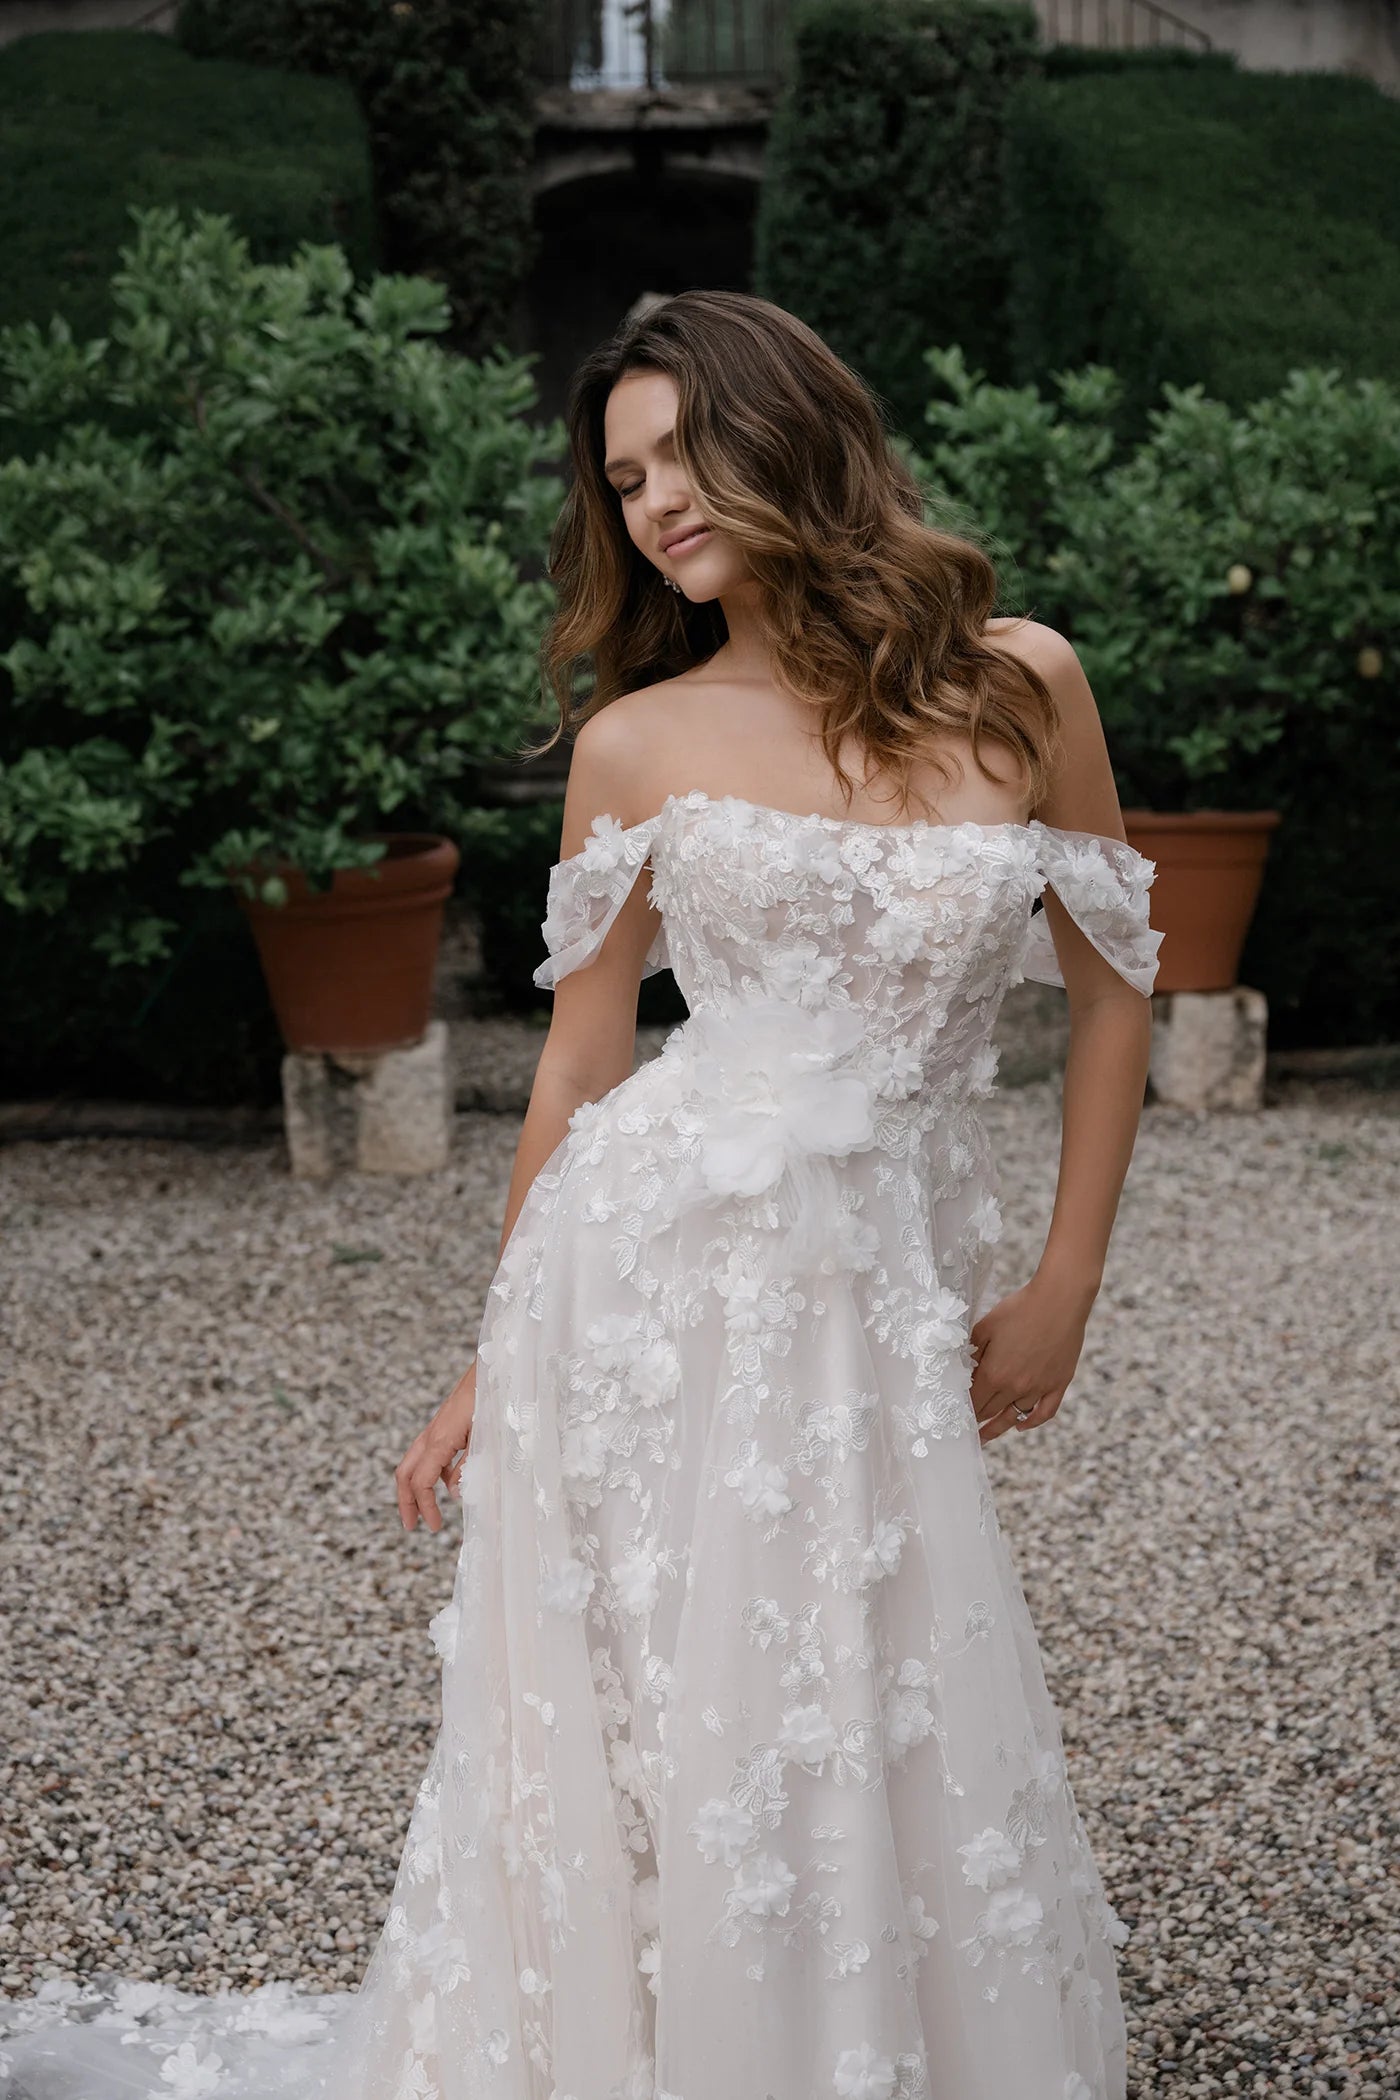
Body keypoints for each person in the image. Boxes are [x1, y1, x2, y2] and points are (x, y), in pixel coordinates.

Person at [0, 290, 1160, 2100]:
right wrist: (490, 1352)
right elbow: (578, 1057)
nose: (653, 507)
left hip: (872, 1277)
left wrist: (1071, 1271)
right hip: (642, 1287)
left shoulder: (1024, 682)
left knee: (875, 1666)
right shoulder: (637, 743)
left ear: (789, 427)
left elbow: (1113, 983)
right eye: (623, 482)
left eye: (678, 453)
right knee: (663, 1717)